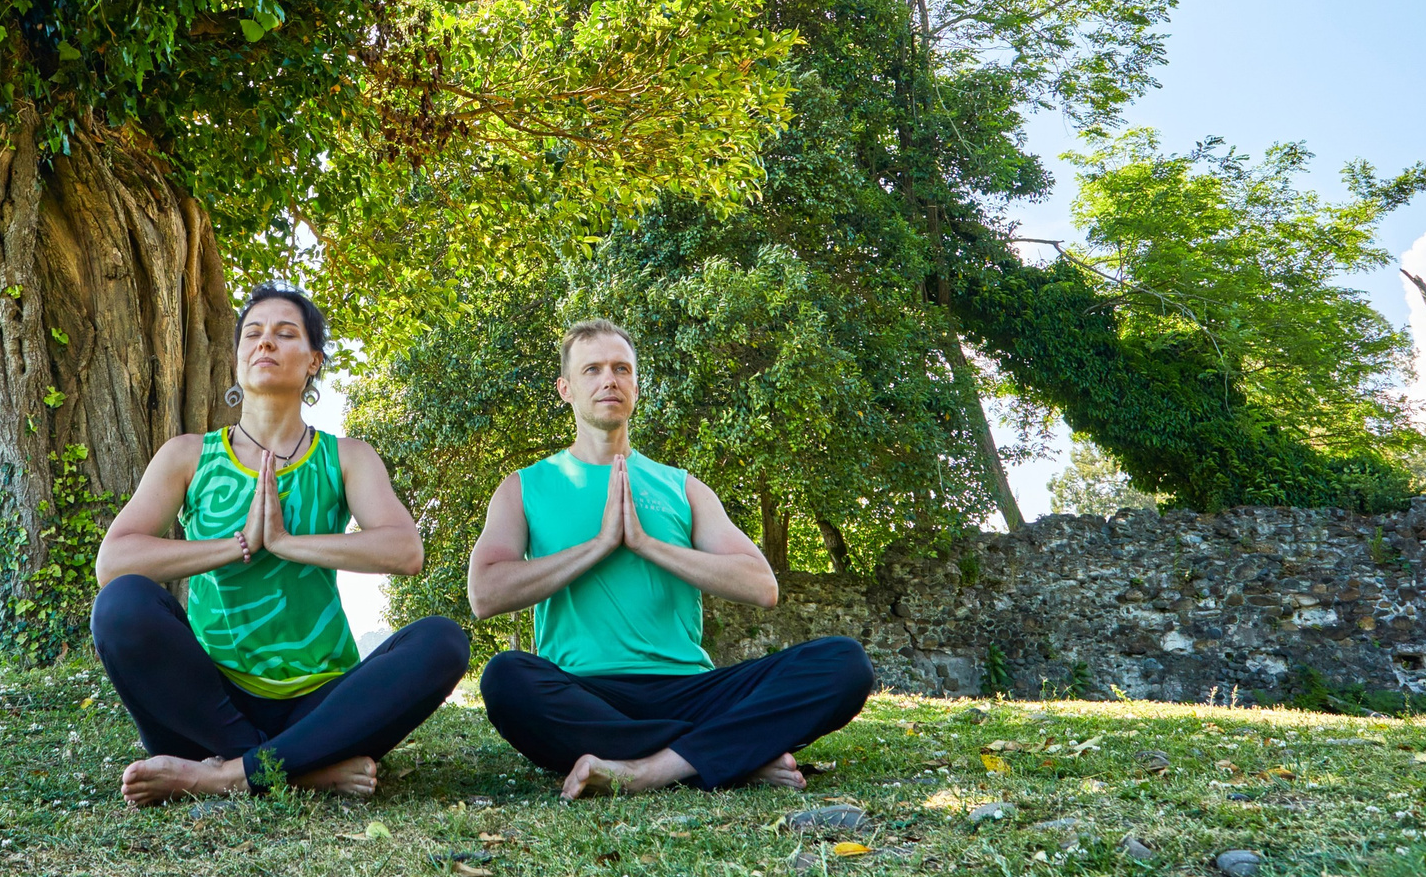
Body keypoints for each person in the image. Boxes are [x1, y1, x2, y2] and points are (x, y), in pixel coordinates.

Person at [91, 285, 469, 806]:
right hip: (209, 709)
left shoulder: (347, 458)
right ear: (237, 358)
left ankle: (225, 778)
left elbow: (404, 550)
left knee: (443, 641)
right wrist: (238, 544)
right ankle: (298, 772)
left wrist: (288, 542)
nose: (265, 343)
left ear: (314, 361)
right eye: (253, 333)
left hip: (321, 709)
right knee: (121, 604)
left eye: (285, 334)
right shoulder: (187, 455)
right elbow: (113, 561)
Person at [468, 318, 877, 799]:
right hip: (585, 694)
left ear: (636, 386)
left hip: (691, 692)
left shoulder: (682, 486)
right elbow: (485, 593)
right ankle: (726, 755)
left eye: (621, 369)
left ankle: (652, 769)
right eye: (592, 369)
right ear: (566, 389)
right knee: (505, 678)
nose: (609, 380)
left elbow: (761, 587)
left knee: (844, 663)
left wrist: (647, 544)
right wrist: (599, 545)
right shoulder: (525, 486)